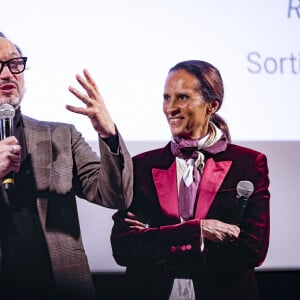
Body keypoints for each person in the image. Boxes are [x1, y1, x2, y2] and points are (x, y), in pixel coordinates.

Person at [111, 60, 270, 300]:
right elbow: (124, 248)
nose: (170, 108)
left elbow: (252, 250)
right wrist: (198, 232)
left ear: (211, 105)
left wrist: (158, 239)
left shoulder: (248, 164)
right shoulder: (142, 165)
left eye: (182, 97)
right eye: (166, 98)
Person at [0, 32, 133, 299]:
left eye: (14, 63)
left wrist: (109, 135)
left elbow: (115, 195)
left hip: (60, 287)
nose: (8, 74)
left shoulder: (61, 136)